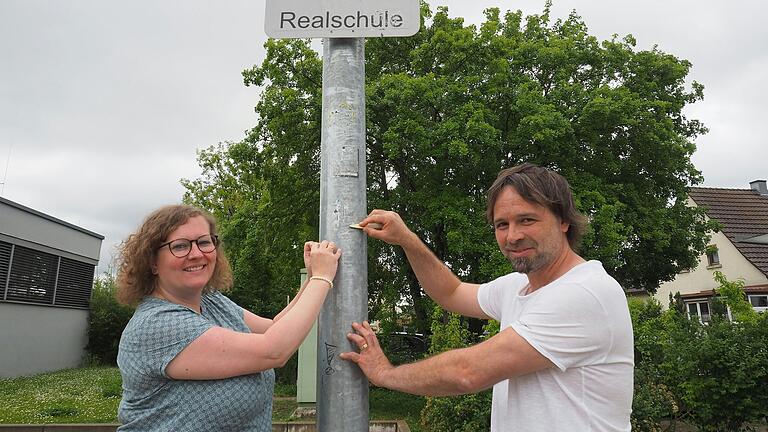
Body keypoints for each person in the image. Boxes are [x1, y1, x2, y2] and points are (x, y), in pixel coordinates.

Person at [340, 163, 634, 431]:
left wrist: (384, 373)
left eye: (527, 220)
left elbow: (467, 372)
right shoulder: (519, 287)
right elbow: (451, 292)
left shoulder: (584, 293)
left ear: (563, 222)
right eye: (502, 224)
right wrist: (407, 239)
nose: (512, 236)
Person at [115, 204, 341, 431]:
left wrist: (312, 277)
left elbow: (274, 327)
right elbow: (273, 350)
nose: (196, 254)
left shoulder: (211, 301)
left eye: (204, 242)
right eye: (180, 246)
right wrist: (323, 278)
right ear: (152, 262)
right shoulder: (157, 324)